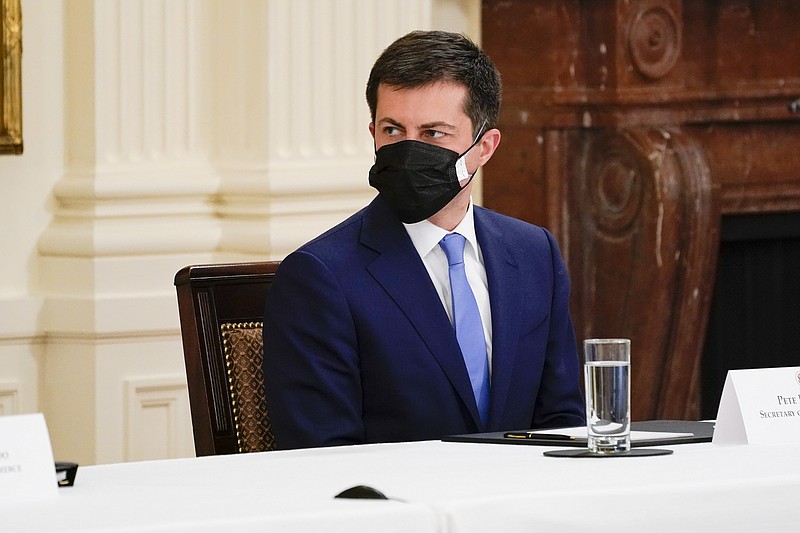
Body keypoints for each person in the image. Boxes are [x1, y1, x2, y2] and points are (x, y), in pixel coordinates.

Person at [262, 30, 584, 450]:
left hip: (517, 506)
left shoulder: (534, 252)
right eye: (393, 130)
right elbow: (323, 454)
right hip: (395, 510)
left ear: (485, 146)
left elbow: (563, 422)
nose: (409, 150)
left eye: (433, 134)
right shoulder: (319, 276)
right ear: (372, 132)